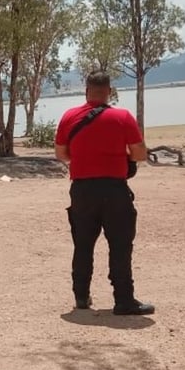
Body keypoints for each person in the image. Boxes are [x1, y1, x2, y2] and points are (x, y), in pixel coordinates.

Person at [54, 71, 153, 315]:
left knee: (83, 244)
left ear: (87, 91)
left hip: (82, 190)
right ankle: (123, 300)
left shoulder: (69, 117)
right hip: (114, 189)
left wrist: (86, 159)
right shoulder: (122, 117)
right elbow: (140, 154)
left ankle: (81, 297)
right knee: (120, 245)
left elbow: (61, 154)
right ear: (110, 91)